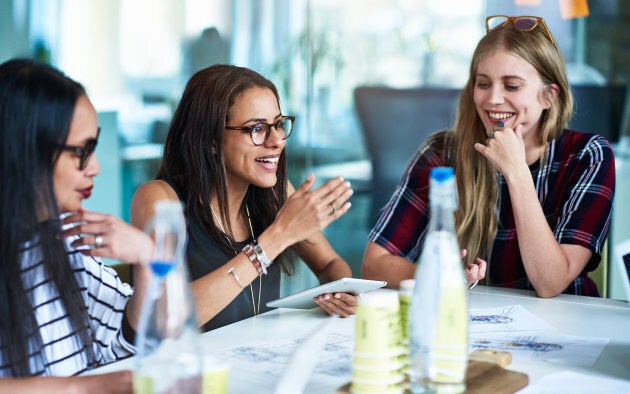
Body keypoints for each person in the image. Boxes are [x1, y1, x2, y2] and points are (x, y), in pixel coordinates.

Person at [362, 15, 615, 298]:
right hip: (475, 321)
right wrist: (445, 276)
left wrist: (516, 171)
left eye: (512, 86)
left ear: (549, 96)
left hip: (564, 324)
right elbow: (375, 264)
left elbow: (550, 283)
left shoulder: (587, 156)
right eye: (483, 84)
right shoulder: (441, 153)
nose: (493, 99)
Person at [131, 64, 356, 332]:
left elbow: (331, 264)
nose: (277, 141)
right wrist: (276, 238)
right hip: (195, 369)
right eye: (257, 128)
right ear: (211, 138)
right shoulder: (159, 199)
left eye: (278, 124)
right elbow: (164, 319)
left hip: (260, 360)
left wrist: (341, 294)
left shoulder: (275, 192)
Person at [0, 58, 153, 392]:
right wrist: (83, 387)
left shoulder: (65, 243)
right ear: (26, 152)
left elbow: (125, 346)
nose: (95, 167)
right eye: (82, 152)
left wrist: (147, 258)